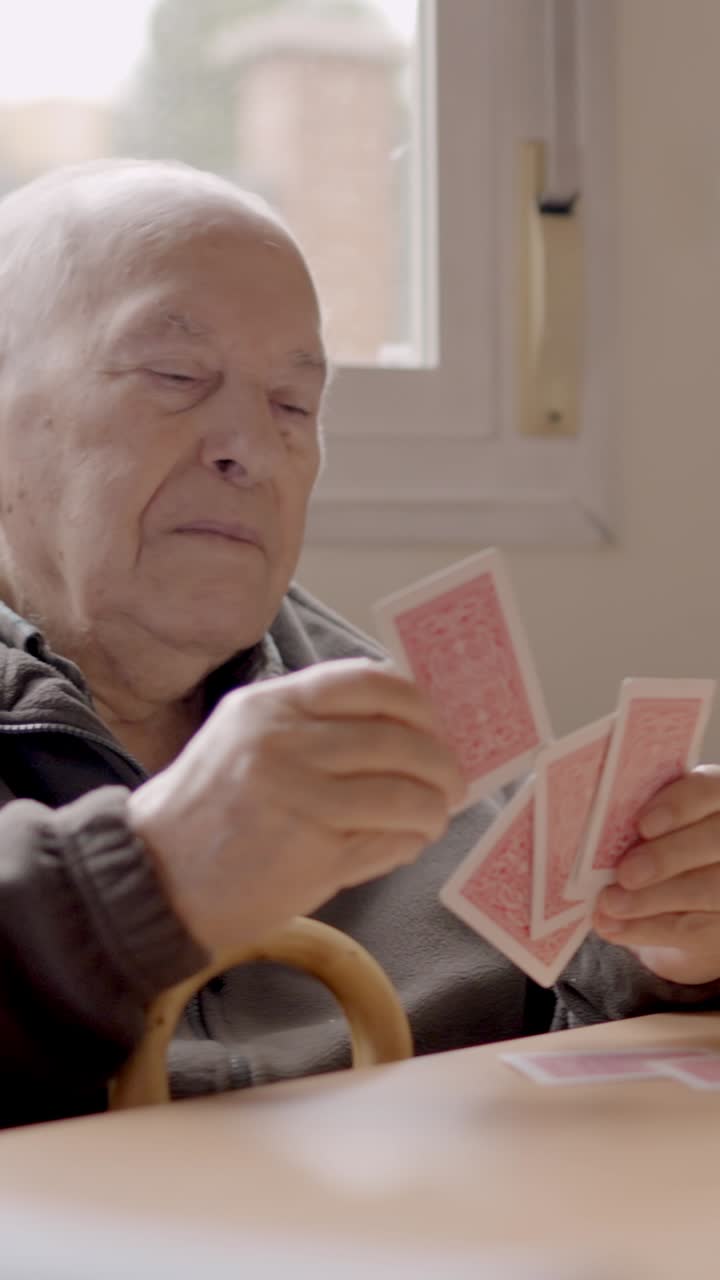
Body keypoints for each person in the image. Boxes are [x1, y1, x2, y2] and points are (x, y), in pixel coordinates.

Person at [1, 158, 719, 1129]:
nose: (250, 449)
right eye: (174, 375)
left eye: (293, 405)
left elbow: (530, 1070)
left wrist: (659, 958)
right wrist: (143, 882)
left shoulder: (389, 713)